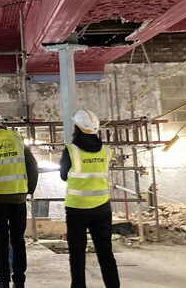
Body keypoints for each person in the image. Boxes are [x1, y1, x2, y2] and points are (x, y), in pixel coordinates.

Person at [0, 109, 38, 288]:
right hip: (19, 197)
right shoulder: (18, 138)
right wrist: (28, 189)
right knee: (18, 240)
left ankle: (2, 281)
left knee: (1, 240)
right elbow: (31, 165)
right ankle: (19, 281)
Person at [59, 109, 120, 288]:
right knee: (105, 253)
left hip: (77, 209)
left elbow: (64, 175)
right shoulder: (106, 151)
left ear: (77, 127)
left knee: (77, 254)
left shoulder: (70, 150)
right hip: (102, 209)